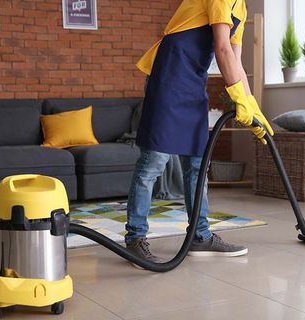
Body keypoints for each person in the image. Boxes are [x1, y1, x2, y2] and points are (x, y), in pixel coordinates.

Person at [125, 0, 274, 263]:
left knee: (197, 164)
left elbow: (236, 60)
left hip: (194, 82)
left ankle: (200, 236)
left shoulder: (240, 7)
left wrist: (252, 106)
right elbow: (222, 48)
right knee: (153, 162)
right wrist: (237, 97)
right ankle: (135, 238)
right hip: (169, 76)